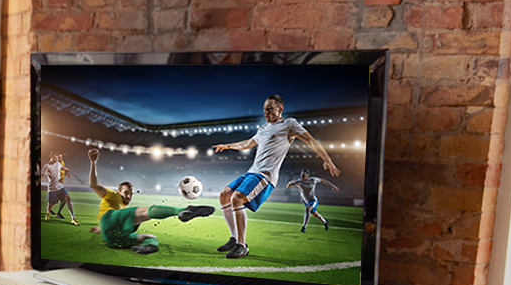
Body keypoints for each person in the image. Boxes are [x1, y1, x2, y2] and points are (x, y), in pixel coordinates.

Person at [211, 94, 340, 259]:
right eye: (264, 109)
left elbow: (311, 141)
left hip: (265, 175)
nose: (266, 112)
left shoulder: (289, 124)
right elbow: (249, 143)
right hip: (252, 172)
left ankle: (242, 246)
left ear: (280, 109)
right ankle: (234, 238)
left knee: (237, 198)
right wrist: (228, 145)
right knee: (224, 195)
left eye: (270, 109)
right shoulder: (263, 128)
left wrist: (327, 160)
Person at [84, 148, 214, 254]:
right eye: (126, 193)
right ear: (118, 192)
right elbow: (93, 185)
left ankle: (148, 246)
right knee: (144, 212)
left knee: (150, 237)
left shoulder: (121, 209)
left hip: (112, 241)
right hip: (108, 222)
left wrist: (99, 229)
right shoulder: (112, 195)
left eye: (131, 194)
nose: (129, 196)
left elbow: (110, 227)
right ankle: (183, 210)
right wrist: (93, 162)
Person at [39, 152, 78, 225]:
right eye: (54, 158)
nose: (56, 159)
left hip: (60, 187)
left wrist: (66, 171)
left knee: (68, 199)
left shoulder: (57, 163)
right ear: (51, 156)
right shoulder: (47, 166)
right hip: (52, 188)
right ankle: (48, 213)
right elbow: (42, 175)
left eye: (57, 158)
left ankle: (73, 218)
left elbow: (64, 168)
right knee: (50, 206)